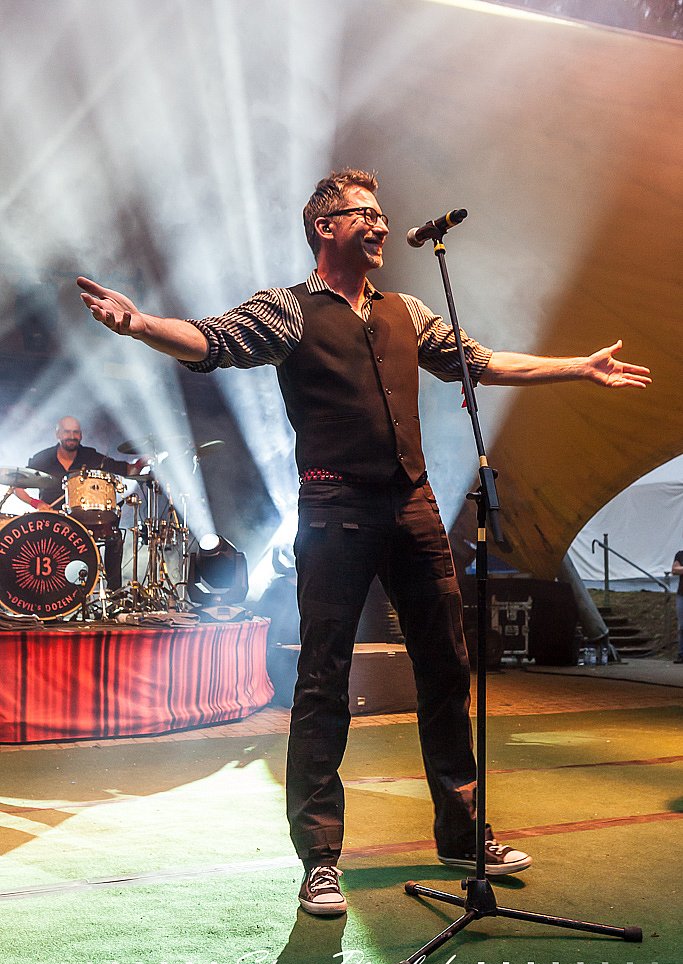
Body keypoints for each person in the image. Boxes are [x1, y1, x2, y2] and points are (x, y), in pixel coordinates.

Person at [76, 168, 651, 916]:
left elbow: (481, 363)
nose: (381, 226)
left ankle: (462, 835)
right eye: (365, 214)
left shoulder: (407, 311)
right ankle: (320, 858)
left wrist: (578, 367)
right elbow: (211, 340)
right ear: (326, 227)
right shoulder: (288, 310)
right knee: (323, 679)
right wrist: (140, 324)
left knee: (446, 667)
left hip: (413, 505)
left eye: (381, 215)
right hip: (333, 506)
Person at [15, 416, 144, 593]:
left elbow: (129, 471)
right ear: (58, 434)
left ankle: (113, 593)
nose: (71, 436)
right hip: (52, 520)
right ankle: (46, 592)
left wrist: (143, 461)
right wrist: (37, 503)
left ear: (81, 435)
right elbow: (18, 486)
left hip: (85, 519)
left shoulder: (91, 456)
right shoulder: (43, 458)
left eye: (75, 432)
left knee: (114, 535)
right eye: (67, 432)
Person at [672, 550, 683, 664]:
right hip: (681, 594)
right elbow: (675, 570)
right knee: (681, 626)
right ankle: (681, 653)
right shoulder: (680, 554)